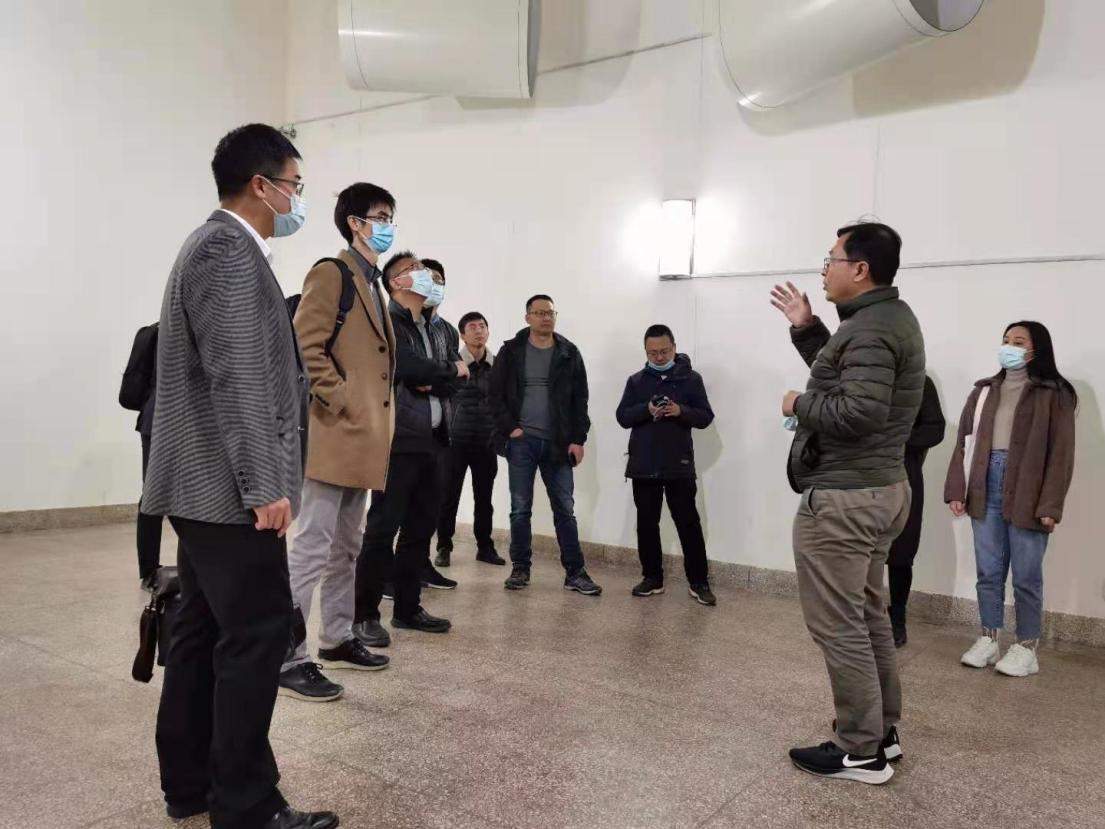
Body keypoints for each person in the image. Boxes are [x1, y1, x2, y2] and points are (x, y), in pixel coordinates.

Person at [141, 124, 337, 829]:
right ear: (261, 185)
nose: (297, 198)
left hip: (203, 486)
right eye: (295, 185)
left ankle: (190, 783)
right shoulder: (227, 250)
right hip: (226, 490)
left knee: (201, 630)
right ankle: (247, 803)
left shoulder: (216, 247)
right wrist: (264, 484)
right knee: (256, 634)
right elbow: (239, 376)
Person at [769, 221, 924, 786]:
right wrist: (808, 329)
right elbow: (848, 379)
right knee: (866, 615)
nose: (824, 269)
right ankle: (881, 730)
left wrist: (796, 402)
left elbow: (857, 412)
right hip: (879, 490)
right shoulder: (881, 319)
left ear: (860, 269)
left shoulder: (870, 329)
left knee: (840, 626)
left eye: (830, 259)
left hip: (847, 500)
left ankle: (860, 750)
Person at [277, 182, 397, 704]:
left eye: (390, 216)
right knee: (311, 548)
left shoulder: (373, 283)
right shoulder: (332, 273)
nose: (387, 225)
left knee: (347, 547)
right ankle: (285, 655)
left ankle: (337, 637)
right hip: (333, 432)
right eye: (379, 216)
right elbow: (306, 343)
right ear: (354, 222)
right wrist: (340, 397)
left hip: (363, 439)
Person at [945, 321, 1076, 677]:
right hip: (984, 483)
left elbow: (1061, 453)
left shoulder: (1054, 393)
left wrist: (1050, 505)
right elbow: (964, 441)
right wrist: (957, 488)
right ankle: (988, 638)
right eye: (1006, 340)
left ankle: (1027, 648)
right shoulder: (984, 391)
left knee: (1026, 576)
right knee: (988, 571)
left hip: (1029, 488)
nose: (1009, 347)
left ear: (1036, 349)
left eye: (1019, 342)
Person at [353, 251, 466, 638]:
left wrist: (440, 376)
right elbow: (407, 366)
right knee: (382, 529)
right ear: (396, 282)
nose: (425, 275)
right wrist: (445, 371)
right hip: (399, 439)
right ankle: (365, 615)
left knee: (420, 530)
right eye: (415, 270)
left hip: (435, 440)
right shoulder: (388, 322)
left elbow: (456, 379)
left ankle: (407, 608)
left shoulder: (436, 329)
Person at [489, 295, 601, 595]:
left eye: (550, 313)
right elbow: (495, 395)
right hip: (522, 442)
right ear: (527, 317)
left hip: (559, 444)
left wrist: (578, 439)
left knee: (565, 509)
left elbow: (580, 400)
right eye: (539, 313)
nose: (545, 318)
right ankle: (520, 569)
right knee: (520, 509)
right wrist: (510, 429)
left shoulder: (568, 352)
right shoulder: (511, 351)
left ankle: (575, 573)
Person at [615, 324, 716, 605]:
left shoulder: (691, 379)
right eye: (652, 353)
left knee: (688, 524)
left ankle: (699, 582)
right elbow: (622, 417)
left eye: (664, 351)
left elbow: (705, 417)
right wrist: (646, 409)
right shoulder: (636, 381)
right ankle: (652, 578)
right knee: (647, 524)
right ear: (645, 351)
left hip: (678, 464)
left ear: (674, 347)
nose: (659, 357)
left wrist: (680, 411)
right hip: (643, 465)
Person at [434, 310, 505, 567]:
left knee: (484, 499)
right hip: (455, 442)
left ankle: (485, 547)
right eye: (472, 327)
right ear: (462, 335)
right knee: (448, 497)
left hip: (486, 442)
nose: (478, 331)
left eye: (482, 326)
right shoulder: (453, 364)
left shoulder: (498, 366)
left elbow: (504, 402)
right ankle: (444, 546)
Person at [886, 375, 945, 647]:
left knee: (901, 551)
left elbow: (934, 429)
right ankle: (861, 617)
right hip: (862, 472)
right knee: (858, 551)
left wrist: (896, 439)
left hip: (904, 472)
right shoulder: (861, 374)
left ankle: (897, 619)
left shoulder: (920, 382)